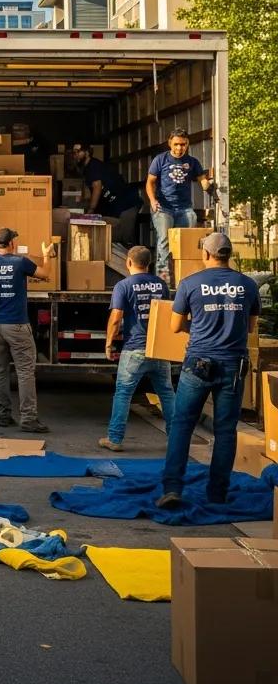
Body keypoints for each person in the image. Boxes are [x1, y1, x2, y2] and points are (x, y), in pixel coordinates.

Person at [157, 232, 260, 509]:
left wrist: (198, 326)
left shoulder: (190, 284)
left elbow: (175, 326)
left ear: (206, 254)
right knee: (225, 431)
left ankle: (173, 488)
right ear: (229, 255)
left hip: (198, 364)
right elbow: (249, 328)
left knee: (182, 426)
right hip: (233, 366)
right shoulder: (247, 285)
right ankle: (217, 493)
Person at [0, 227, 54, 433]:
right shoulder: (20, 263)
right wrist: (47, 256)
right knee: (25, 371)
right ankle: (28, 418)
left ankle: (3, 415)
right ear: (11, 243)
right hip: (16, 324)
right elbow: (46, 274)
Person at [98, 246, 173, 452]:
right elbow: (167, 314)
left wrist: (108, 343)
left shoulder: (123, 286)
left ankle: (115, 438)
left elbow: (115, 319)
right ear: (148, 264)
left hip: (134, 349)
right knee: (166, 393)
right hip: (158, 348)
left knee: (123, 393)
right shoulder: (161, 285)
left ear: (128, 262)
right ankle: (176, 440)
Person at [146, 128, 213, 284]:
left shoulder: (192, 162)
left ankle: (186, 278)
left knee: (188, 240)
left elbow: (202, 180)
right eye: (176, 144)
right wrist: (152, 200)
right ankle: (163, 281)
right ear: (170, 143)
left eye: (182, 144)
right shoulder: (160, 160)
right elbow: (150, 182)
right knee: (164, 241)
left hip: (184, 209)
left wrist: (208, 186)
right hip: (163, 208)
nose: (179, 148)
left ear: (187, 144)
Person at [73, 144, 142, 247]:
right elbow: (94, 192)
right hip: (117, 207)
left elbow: (97, 187)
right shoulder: (88, 168)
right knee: (117, 238)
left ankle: (136, 261)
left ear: (86, 152)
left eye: (77, 152)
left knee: (126, 239)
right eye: (74, 152)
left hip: (127, 204)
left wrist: (91, 210)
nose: (75, 155)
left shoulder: (93, 166)